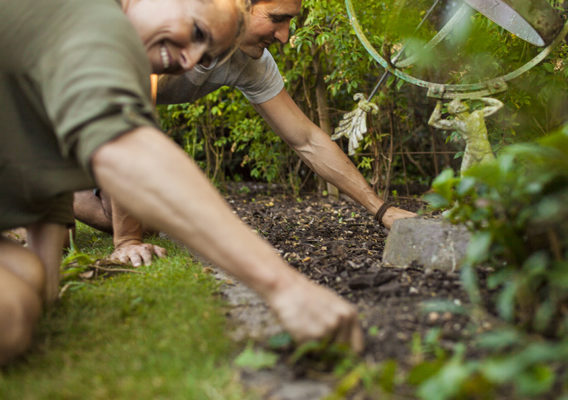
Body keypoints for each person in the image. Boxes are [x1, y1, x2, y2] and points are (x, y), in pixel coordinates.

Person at [0, 0, 362, 366]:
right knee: (12, 316)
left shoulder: (94, 49)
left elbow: (40, 143)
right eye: (198, 32)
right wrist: (284, 285)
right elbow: (130, 152)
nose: (189, 61)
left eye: (206, 55)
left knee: (29, 279)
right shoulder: (92, 17)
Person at [73, 0, 418, 267]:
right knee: (70, 235)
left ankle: (56, 192)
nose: (284, 36)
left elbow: (307, 140)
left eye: (289, 22)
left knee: (142, 218)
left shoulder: (252, 62)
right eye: (276, 18)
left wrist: (381, 209)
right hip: (56, 99)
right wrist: (127, 243)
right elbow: (129, 122)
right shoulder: (164, 24)